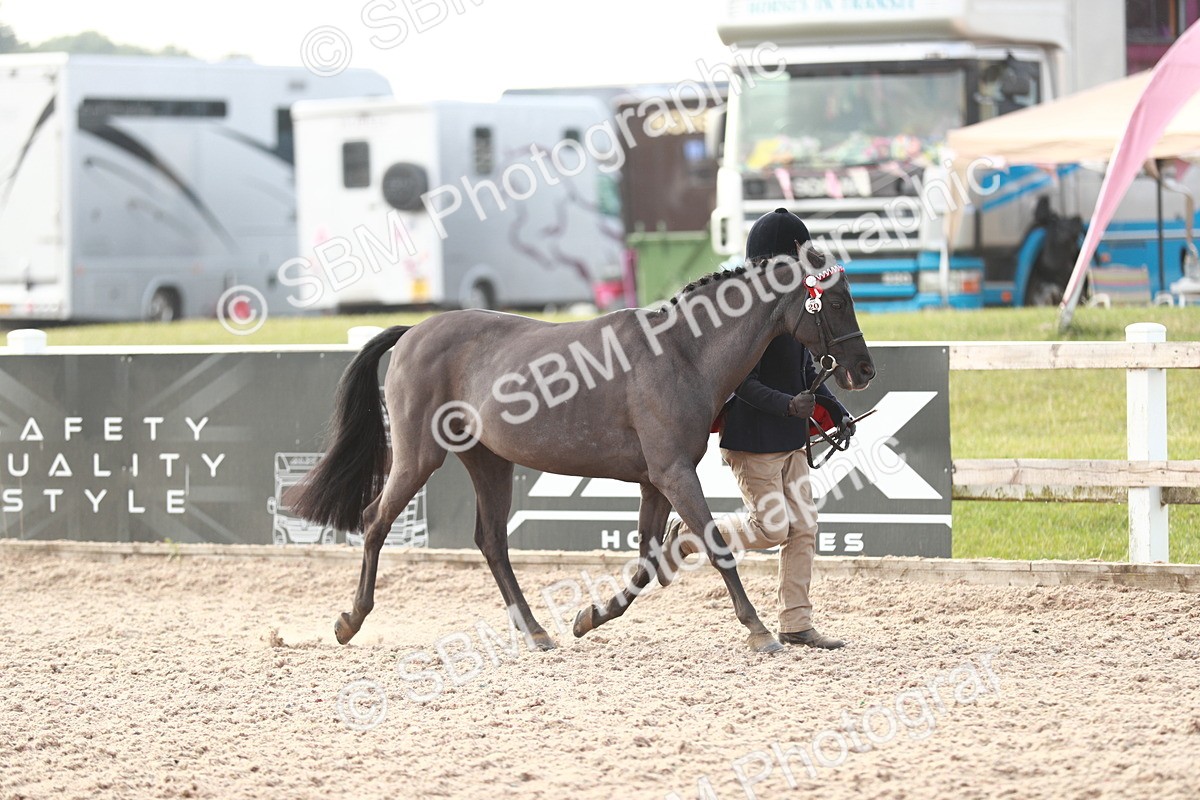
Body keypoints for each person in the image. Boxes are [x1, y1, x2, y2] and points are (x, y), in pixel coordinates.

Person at [659, 208, 855, 650]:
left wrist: (835, 409)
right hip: (754, 440)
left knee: (803, 527)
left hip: (791, 440)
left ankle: (795, 621)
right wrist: (787, 404)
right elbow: (741, 383)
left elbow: (806, 370)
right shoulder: (742, 324)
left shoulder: (798, 314)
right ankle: (687, 536)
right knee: (771, 529)